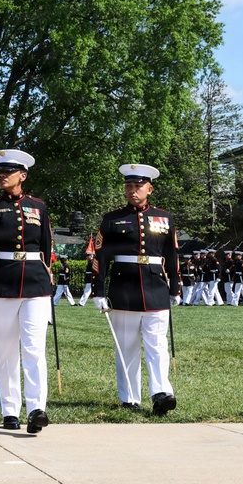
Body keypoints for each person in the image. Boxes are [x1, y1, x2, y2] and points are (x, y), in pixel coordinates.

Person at [0, 149, 54, 434]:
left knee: (33, 347)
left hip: (36, 283)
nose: (2, 176)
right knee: (5, 349)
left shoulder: (38, 206)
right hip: (2, 283)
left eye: (8, 172)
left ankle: (37, 408)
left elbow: (46, 247)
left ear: (23, 176)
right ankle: (9, 409)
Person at [91, 163, 179, 416]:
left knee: (157, 345)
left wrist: (175, 287)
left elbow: (172, 254)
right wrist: (99, 291)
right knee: (126, 346)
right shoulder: (111, 219)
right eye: (129, 186)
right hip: (124, 286)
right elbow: (102, 257)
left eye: (138, 186)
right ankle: (129, 396)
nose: (133, 190)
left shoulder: (164, 217)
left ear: (149, 189)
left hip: (155, 287)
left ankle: (161, 393)